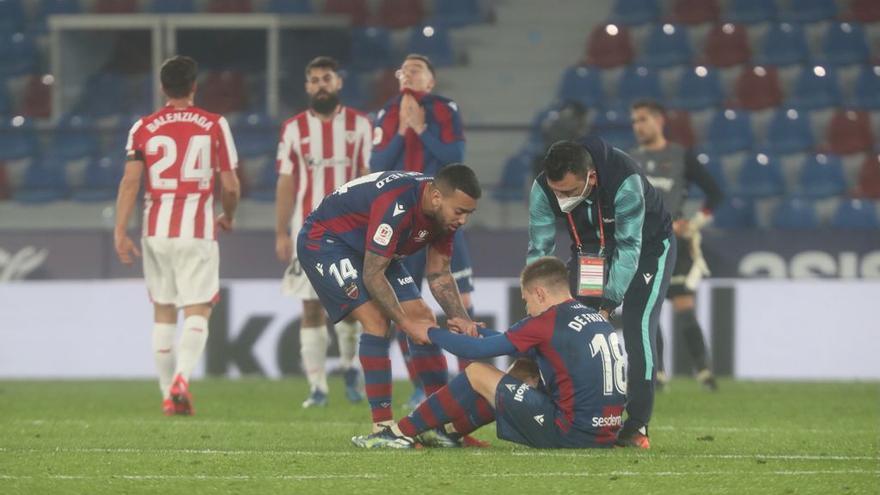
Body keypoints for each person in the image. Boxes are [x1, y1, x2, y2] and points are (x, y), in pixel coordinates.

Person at [351, 257, 626, 449]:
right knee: (526, 369)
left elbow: (476, 352)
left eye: (526, 299)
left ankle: (398, 433)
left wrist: (429, 332)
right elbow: (507, 342)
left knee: (476, 372)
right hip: (605, 432)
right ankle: (448, 434)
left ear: (540, 293)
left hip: (571, 434)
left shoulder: (546, 320)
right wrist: (475, 329)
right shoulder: (590, 315)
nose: (527, 307)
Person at [296, 165, 482, 436]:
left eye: (469, 213)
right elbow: (373, 275)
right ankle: (382, 430)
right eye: (460, 212)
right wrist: (405, 324)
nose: (463, 220)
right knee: (378, 322)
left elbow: (440, 273)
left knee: (424, 319)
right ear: (436, 198)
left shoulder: (445, 216)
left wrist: (461, 318)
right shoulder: (397, 201)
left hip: (372, 248)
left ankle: (439, 425)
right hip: (327, 241)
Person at [527, 138, 676, 449]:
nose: (560, 198)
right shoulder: (542, 189)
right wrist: (537, 296)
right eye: (557, 191)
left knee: (638, 327)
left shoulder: (625, 180)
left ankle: (637, 425)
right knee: (568, 327)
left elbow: (629, 248)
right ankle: (569, 414)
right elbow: (540, 249)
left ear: (591, 178)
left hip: (647, 249)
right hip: (591, 254)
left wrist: (607, 306)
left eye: (568, 192)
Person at [113, 55, 240, 416]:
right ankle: (182, 378)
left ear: (162, 87)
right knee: (197, 309)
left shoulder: (143, 127)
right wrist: (228, 215)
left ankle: (167, 394)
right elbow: (229, 184)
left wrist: (120, 231)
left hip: (156, 231)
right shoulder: (214, 124)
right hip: (197, 230)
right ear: (194, 86)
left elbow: (129, 183)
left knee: (164, 311)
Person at [371, 53, 475, 409]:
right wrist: (402, 130)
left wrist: (421, 129)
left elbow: (455, 155)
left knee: (462, 303)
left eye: (416, 70)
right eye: (403, 70)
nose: (408, 74)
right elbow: (377, 166)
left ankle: (470, 382)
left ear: (431, 80)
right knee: (406, 306)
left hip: (442, 219)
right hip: (404, 222)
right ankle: (422, 387)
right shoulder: (387, 113)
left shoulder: (445, 109)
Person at [275, 56, 373, 408]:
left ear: (338, 82)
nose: (320, 85)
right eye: (314, 79)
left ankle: (349, 368)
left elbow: (368, 179)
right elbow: (286, 183)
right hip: (308, 232)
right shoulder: (293, 129)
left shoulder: (360, 125)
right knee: (311, 308)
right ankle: (317, 387)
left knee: (351, 304)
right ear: (307, 86)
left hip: (349, 232)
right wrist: (281, 233)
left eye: (326, 78)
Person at [629, 100, 723, 391]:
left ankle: (704, 371)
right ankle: (657, 375)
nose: (638, 126)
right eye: (634, 121)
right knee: (649, 310)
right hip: (642, 243)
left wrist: (694, 223)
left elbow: (715, 193)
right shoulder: (630, 160)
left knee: (684, 308)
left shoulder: (681, 156)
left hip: (673, 243)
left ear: (660, 121)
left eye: (643, 119)